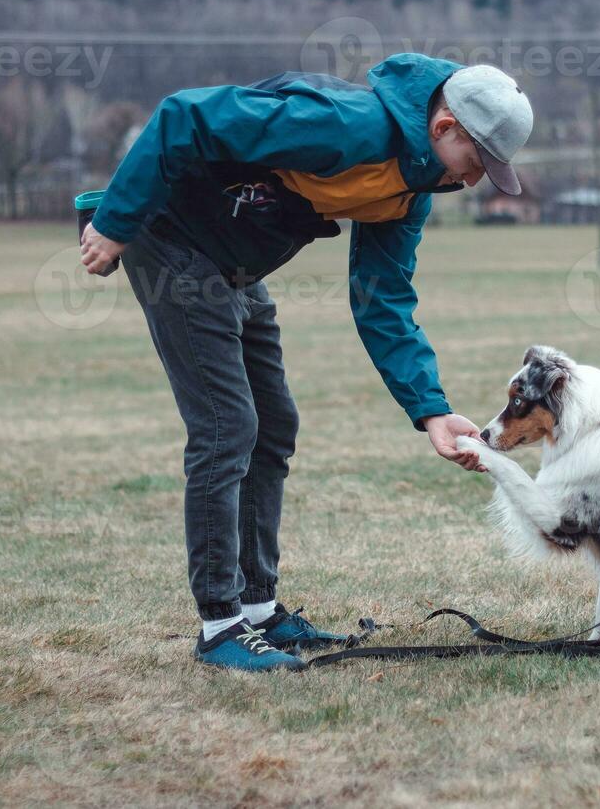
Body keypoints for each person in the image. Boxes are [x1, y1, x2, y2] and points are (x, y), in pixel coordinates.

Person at [80, 54, 534, 671]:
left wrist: (431, 410)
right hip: (172, 243)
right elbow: (183, 115)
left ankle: (260, 612)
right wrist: (115, 221)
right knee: (226, 427)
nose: (476, 180)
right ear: (445, 128)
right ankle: (220, 628)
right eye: (477, 161)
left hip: (235, 267)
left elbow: (383, 301)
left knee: (274, 426)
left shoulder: (415, 189)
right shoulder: (350, 126)